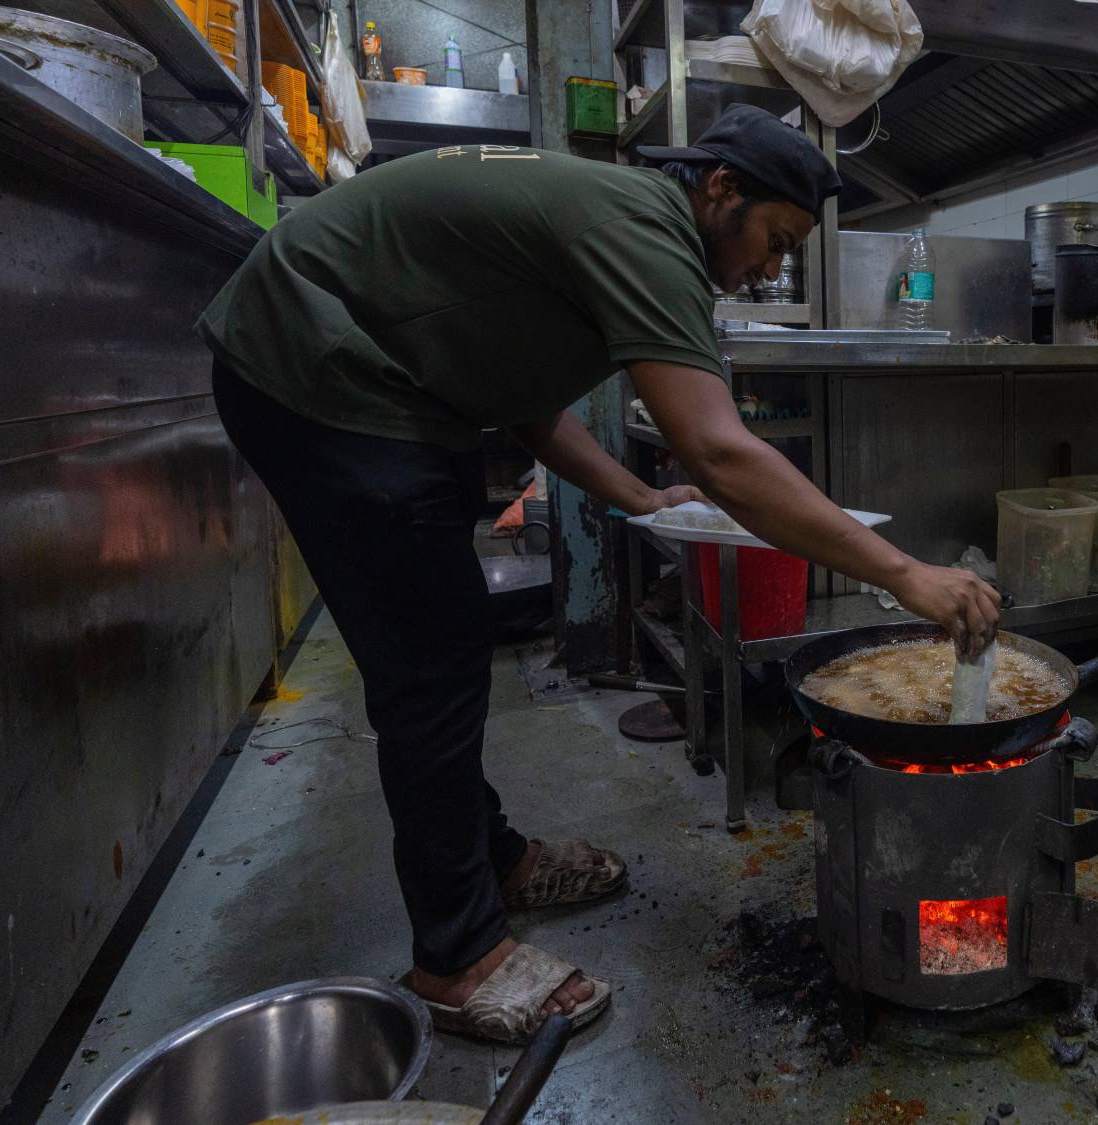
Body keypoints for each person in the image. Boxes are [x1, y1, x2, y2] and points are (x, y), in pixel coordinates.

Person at [196, 104, 1001, 1045]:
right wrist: (906, 574)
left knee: (440, 650)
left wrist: (632, 493)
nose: (771, 269)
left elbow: (527, 395)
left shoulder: (624, 224)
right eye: (774, 242)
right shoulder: (646, 227)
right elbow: (719, 452)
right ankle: (457, 958)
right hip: (316, 367)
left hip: (364, 375)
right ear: (720, 191)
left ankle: (489, 859)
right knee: (432, 663)